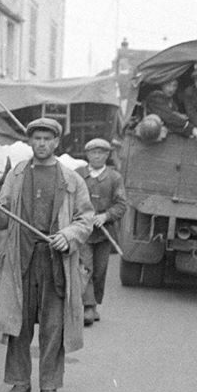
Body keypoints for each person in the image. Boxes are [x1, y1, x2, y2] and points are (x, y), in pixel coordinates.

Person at [0, 117, 93, 392]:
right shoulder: (16, 175)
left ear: (56, 142)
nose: (41, 144)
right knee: (19, 323)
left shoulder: (71, 179)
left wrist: (68, 235)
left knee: (54, 327)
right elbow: (2, 219)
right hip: (21, 259)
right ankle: (19, 381)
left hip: (56, 262)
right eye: (36, 139)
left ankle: (50, 385)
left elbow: (86, 219)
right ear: (30, 142)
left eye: (46, 139)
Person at [77, 139, 127, 326]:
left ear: (107, 155)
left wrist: (105, 216)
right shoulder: (78, 175)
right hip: (82, 232)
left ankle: (94, 304)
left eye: (101, 153)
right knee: (85, 267)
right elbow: (69, 198)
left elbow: (122, 205)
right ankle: (87, 306)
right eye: (93, 153)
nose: (96, 156)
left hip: (104, 234)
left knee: (100, 270)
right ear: (87, 155)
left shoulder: (114, 178)